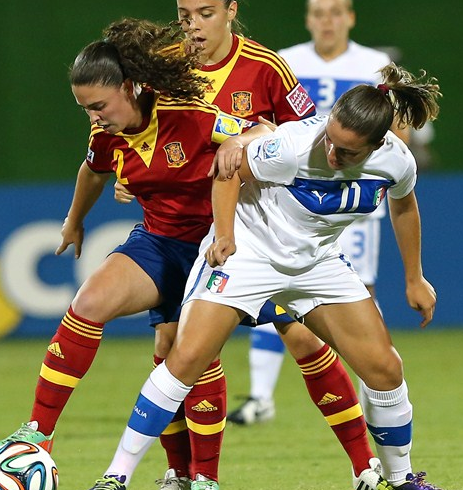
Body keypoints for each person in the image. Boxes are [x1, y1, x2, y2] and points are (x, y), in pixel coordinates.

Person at [87, 63, 441, 490]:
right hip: (249, 256)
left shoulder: (396, 161)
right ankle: (115, 477)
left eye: (346, 152)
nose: (331, 154)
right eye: (330, 138)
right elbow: (227, 170)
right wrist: (224, 234)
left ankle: (400, 480)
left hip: (316, 265)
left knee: (385, 369)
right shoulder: (292, 146)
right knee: (184, 361)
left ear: (377, 144)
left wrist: (414, 278)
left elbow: (404, 207)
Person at [0, 17, 266, 490]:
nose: (93, 116)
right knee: (90, 302)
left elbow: (264, 132)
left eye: (98, 105)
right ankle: (37, 435)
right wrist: (74, 221)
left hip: (214, 249)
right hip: (158, 242)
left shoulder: (191, 113)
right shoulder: (106, 133)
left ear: (130, 88)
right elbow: (92, 170)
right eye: (84, 108)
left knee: (185, 355)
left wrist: (241, 140)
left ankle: (204, 478)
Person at [116, 2, 386, 488]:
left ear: (229, 10)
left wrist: (261, 131)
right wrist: (131, 172)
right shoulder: (164, 66)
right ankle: (185, 474)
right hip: (182, 229)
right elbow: (137, 133)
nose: (192, 23)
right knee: (175, 346)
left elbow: (309, 133)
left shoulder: (266, 66)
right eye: (184, 12)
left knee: (303, 338)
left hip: (255, 231)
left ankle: (364, 465)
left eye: (204, 12)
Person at [227, 0, 396, 428]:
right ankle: (261, 397)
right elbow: (265, 123)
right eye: (319, 13)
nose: (327, 21)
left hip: (351, 206)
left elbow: (397, 132)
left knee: (360, 302)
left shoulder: (376, 64)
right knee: (274, 289)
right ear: (308, 19)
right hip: (296, 200)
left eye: (336, 12)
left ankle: (370, 398)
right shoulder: (287, 60)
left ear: (351, 17)